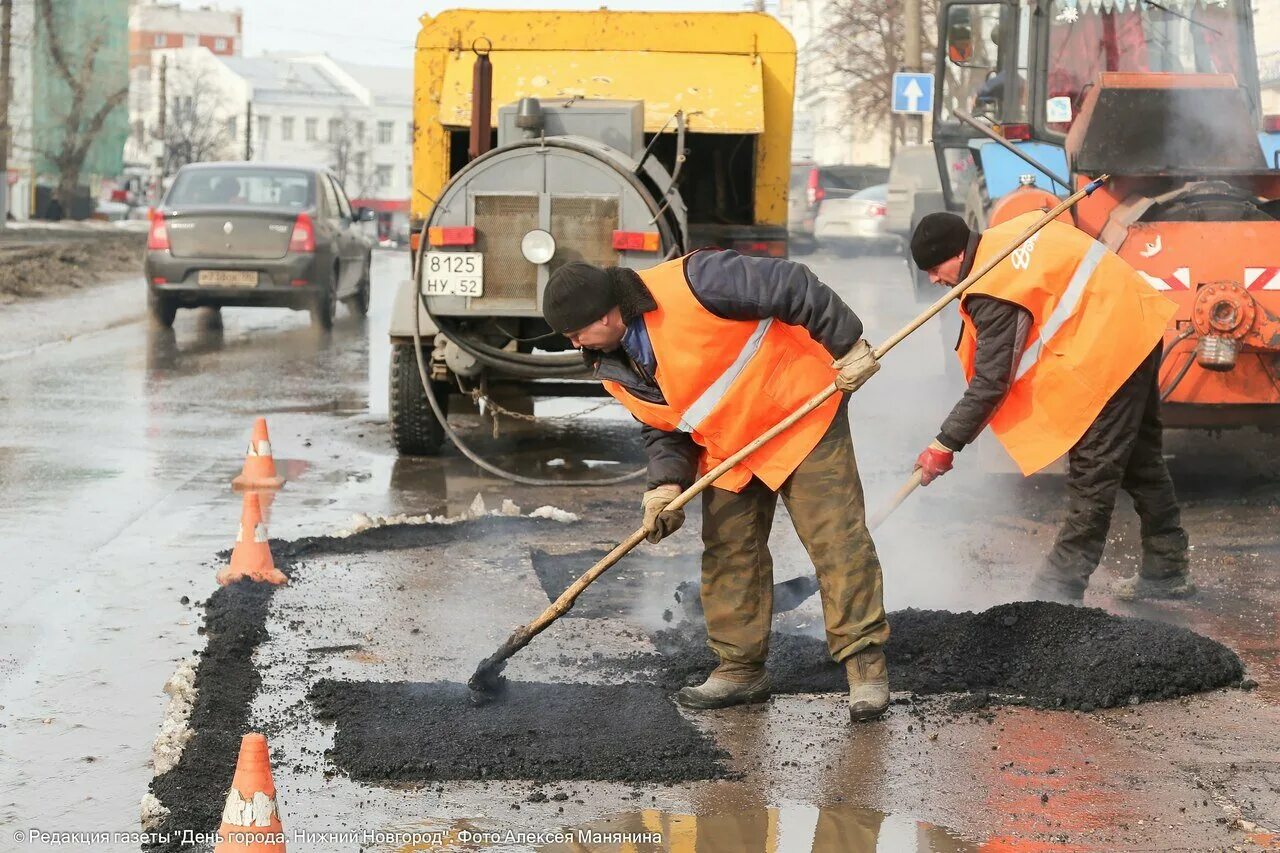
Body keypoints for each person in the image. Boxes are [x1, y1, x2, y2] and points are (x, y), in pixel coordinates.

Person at [541, 251, 892, 721]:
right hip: (730, 447)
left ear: (606, 314)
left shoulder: (695, 281)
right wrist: (665, 486)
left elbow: (792, 283)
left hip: (800, 413)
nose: (573, 344)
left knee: (836, 542)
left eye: (575, 333)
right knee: (730, 551)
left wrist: (847, 345)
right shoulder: (610, 362)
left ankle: (864, 666)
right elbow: (664, 426)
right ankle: (740, 670)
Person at [909, 211, 1193, 602]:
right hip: (1134, 323)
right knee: (1141, 461)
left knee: (1093, 473)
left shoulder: (994, 286)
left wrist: (945, 443)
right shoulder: (1007, 236)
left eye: (934, 268)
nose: (933, 280)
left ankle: (1058, 592)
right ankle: (1167, 569)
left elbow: (992, 382)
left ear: (957, 254)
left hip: (1110, 349)